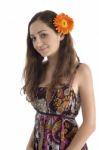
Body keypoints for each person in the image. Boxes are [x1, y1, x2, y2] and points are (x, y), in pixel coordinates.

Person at [22, 10, 96, 150]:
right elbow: (42, 116)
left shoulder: (80, 71)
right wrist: (29, 146)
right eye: (33, 38)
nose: (38, 43)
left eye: (43, 35)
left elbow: (90, 124)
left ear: (61, 34)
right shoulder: (38, 71)